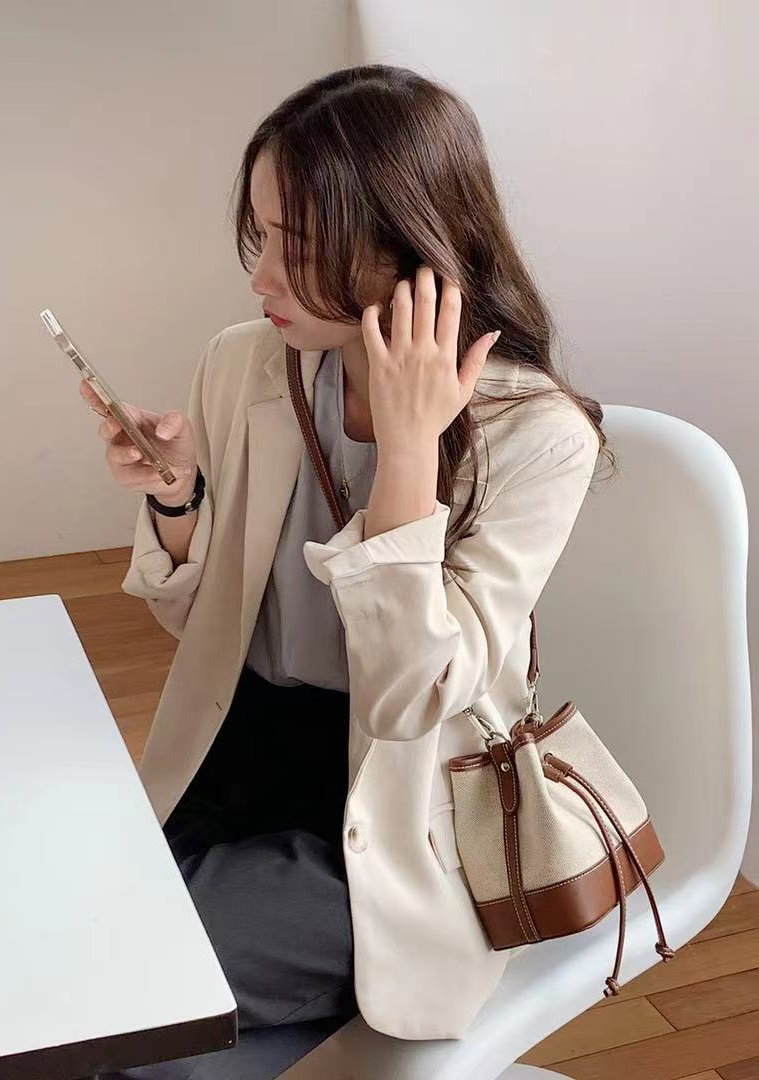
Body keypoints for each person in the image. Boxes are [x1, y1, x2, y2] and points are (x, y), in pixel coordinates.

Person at [90, 64, 609, 1080]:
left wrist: (409, 454)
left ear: (407, 240)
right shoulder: (244, 364)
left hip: (402, 809)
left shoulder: (537, 434)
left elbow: (415, 699)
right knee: (82, 962)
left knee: (119, 972)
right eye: (259, 236)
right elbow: (197, 628)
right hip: (234, 757)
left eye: (298, 245)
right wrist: (179, 498)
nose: (262, 277)